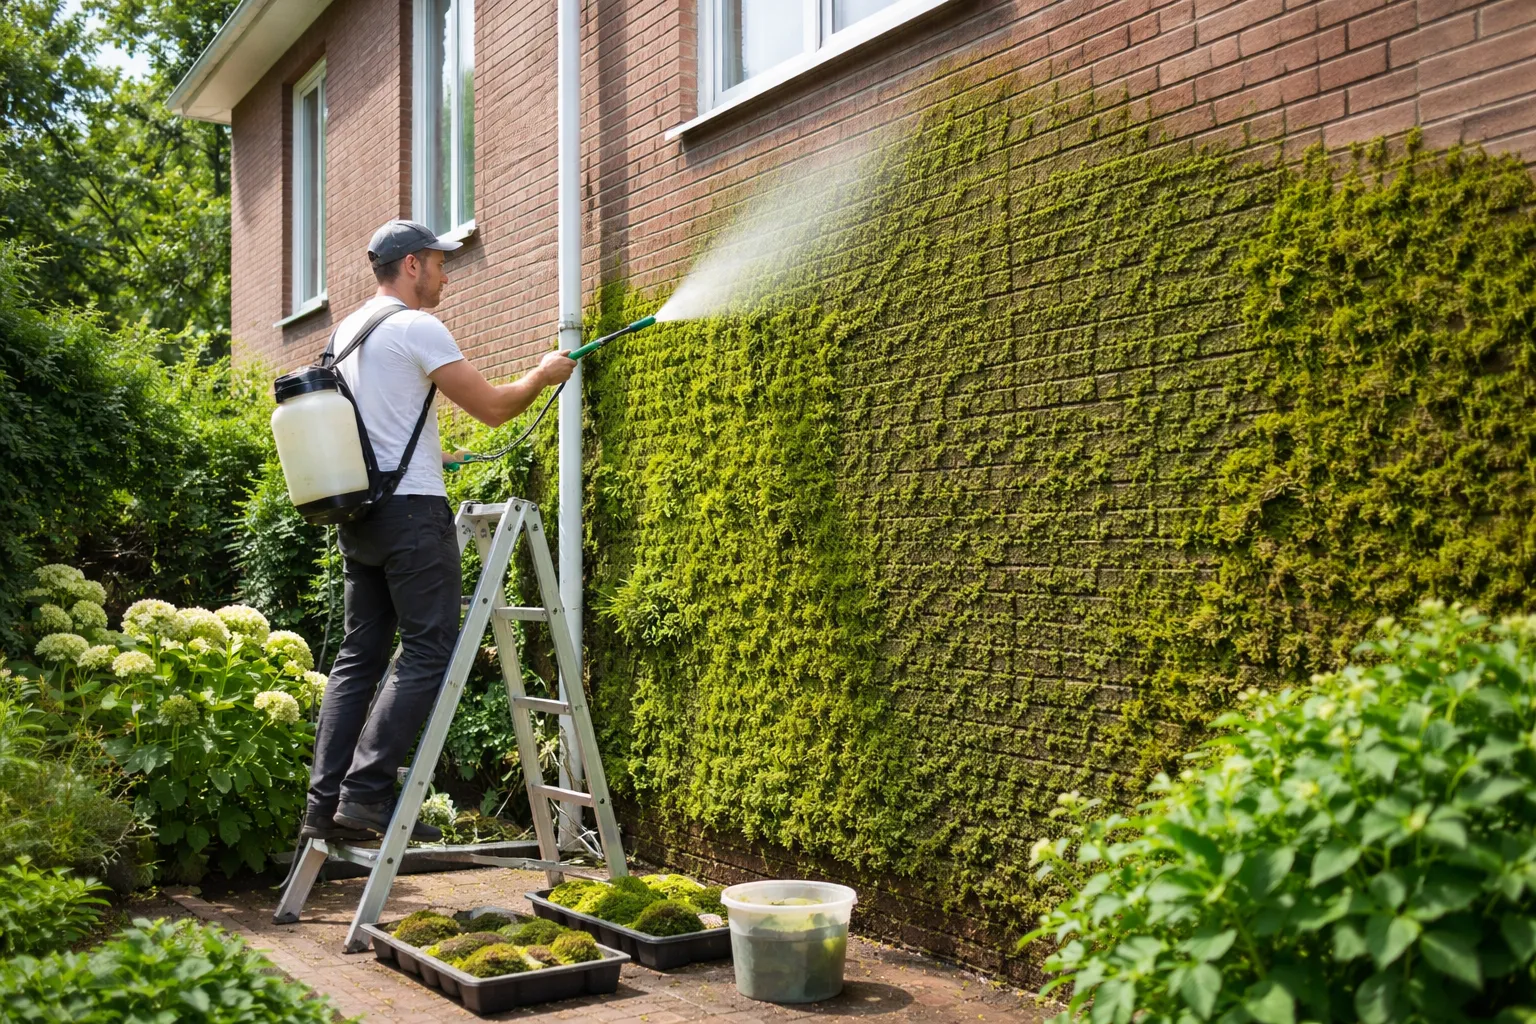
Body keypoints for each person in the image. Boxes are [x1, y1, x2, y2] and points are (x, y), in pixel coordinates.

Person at [300, 219, 575, 842]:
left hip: (361, 517)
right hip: (412, 518)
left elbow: (376, 423)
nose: (448, 273)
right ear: (412, 266)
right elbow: (495, 406)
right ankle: (366, 796)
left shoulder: (346, 333)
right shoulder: (416, 326)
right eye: (439, 261)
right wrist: (541, 374)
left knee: (357, 659)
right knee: (429, 649)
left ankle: (323, 805)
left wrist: (433, 453)